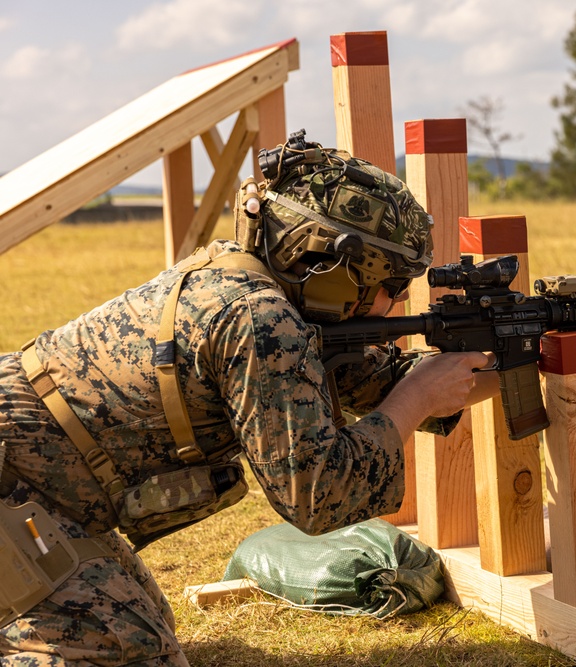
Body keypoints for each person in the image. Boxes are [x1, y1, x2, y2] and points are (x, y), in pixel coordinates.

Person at [0, 131, 496, 666]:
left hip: (44, 495)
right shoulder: (259, 319)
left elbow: (383, 381)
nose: (397, 299)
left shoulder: (264, 291)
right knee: (134, 653)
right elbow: (318, 493)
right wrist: (419, 395)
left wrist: (514, 361)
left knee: (148, 624)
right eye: (391, 282)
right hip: (15, 486)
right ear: (330, 266)